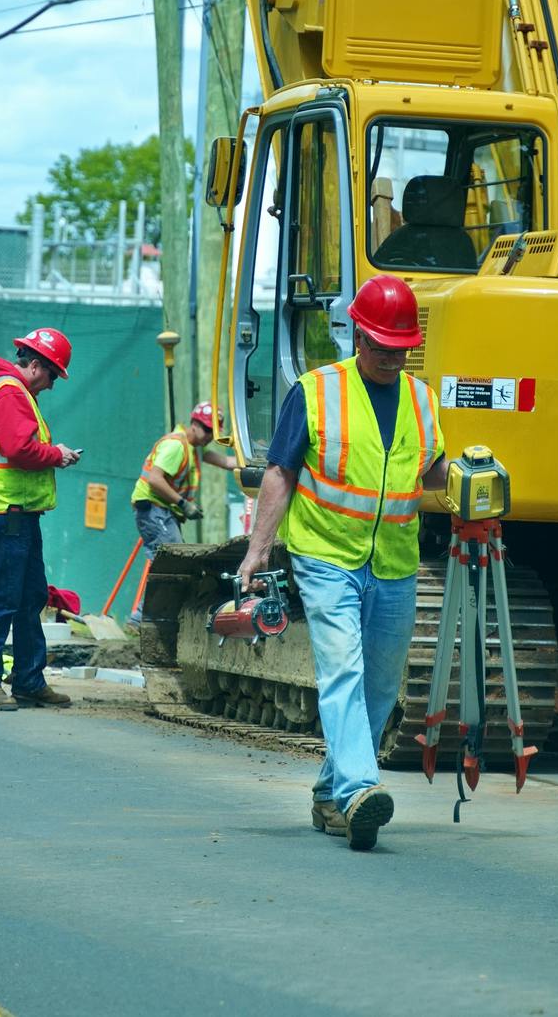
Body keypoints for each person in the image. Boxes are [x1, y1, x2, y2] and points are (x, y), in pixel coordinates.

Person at [235, 275, 446, 850]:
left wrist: (476, 476)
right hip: (325, 556)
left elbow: (431, 472)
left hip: (395, 564)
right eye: (381, 347)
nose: (390, 358)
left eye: (400, 349)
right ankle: (359, 787)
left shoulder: (423, 401)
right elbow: (280, 472)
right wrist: (258, 549)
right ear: (357, 334)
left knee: (379, 687)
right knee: (342, 672)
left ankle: (331, 796)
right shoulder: (315, 391)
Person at [0, 327, 82, 711]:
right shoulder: (9, 392)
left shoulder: (9, 391)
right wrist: (57, 454)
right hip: (6, 508)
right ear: (35, 366)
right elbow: (19, 449)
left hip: (16, 510)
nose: (50, 386)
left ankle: (28, 680)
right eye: (52, 377)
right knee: (5, 596)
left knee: (29, 595)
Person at [126, 401, 239, 625]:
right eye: (207, 430)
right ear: (194, 424)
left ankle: (147, 618)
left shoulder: (194, 447)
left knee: (172, 564)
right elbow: (155, 479)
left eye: (213, 432)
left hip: (163, 511)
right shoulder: (176, 446)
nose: (209, 436)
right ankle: (142, 619)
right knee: (171, 563)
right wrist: (183, 503)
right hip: (153, 509)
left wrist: (258, 460)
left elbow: (226, 461)